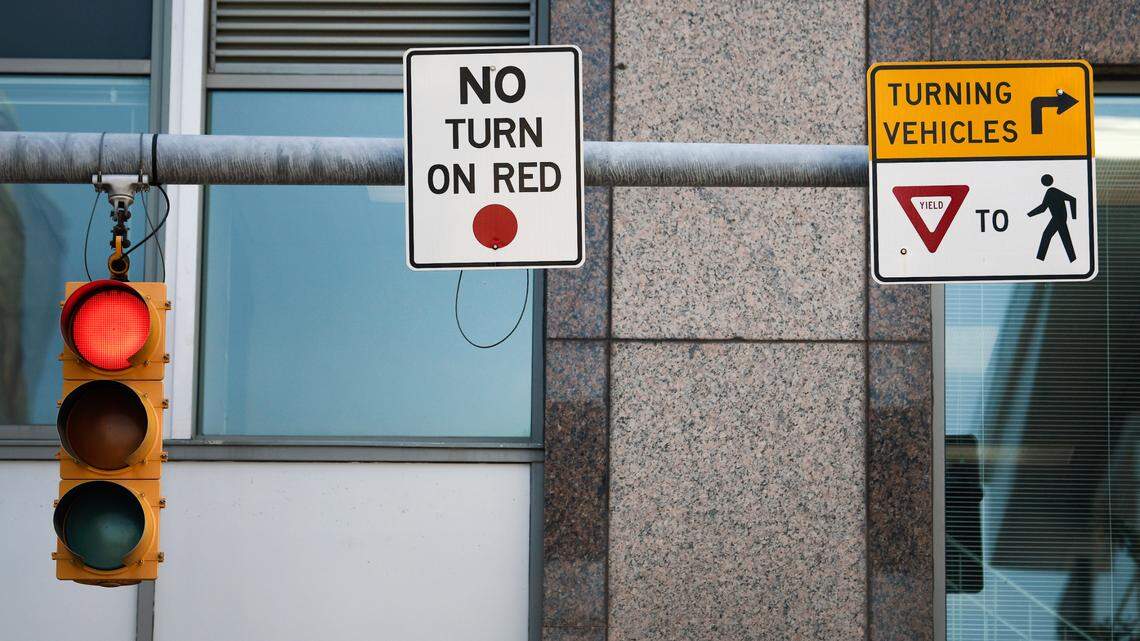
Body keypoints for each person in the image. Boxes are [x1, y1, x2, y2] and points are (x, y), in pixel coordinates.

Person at [1028, 174, 1078, 262]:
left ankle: (1039, 259)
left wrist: (1074, 217)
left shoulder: (1051, 191)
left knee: (1046, 235)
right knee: (1065, 239)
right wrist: (1030, 214)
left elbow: (1043, 208)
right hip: (1060, 218)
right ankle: (1073, 259)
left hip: (1058, 218)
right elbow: (1043, 208)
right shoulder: (1052, 191)